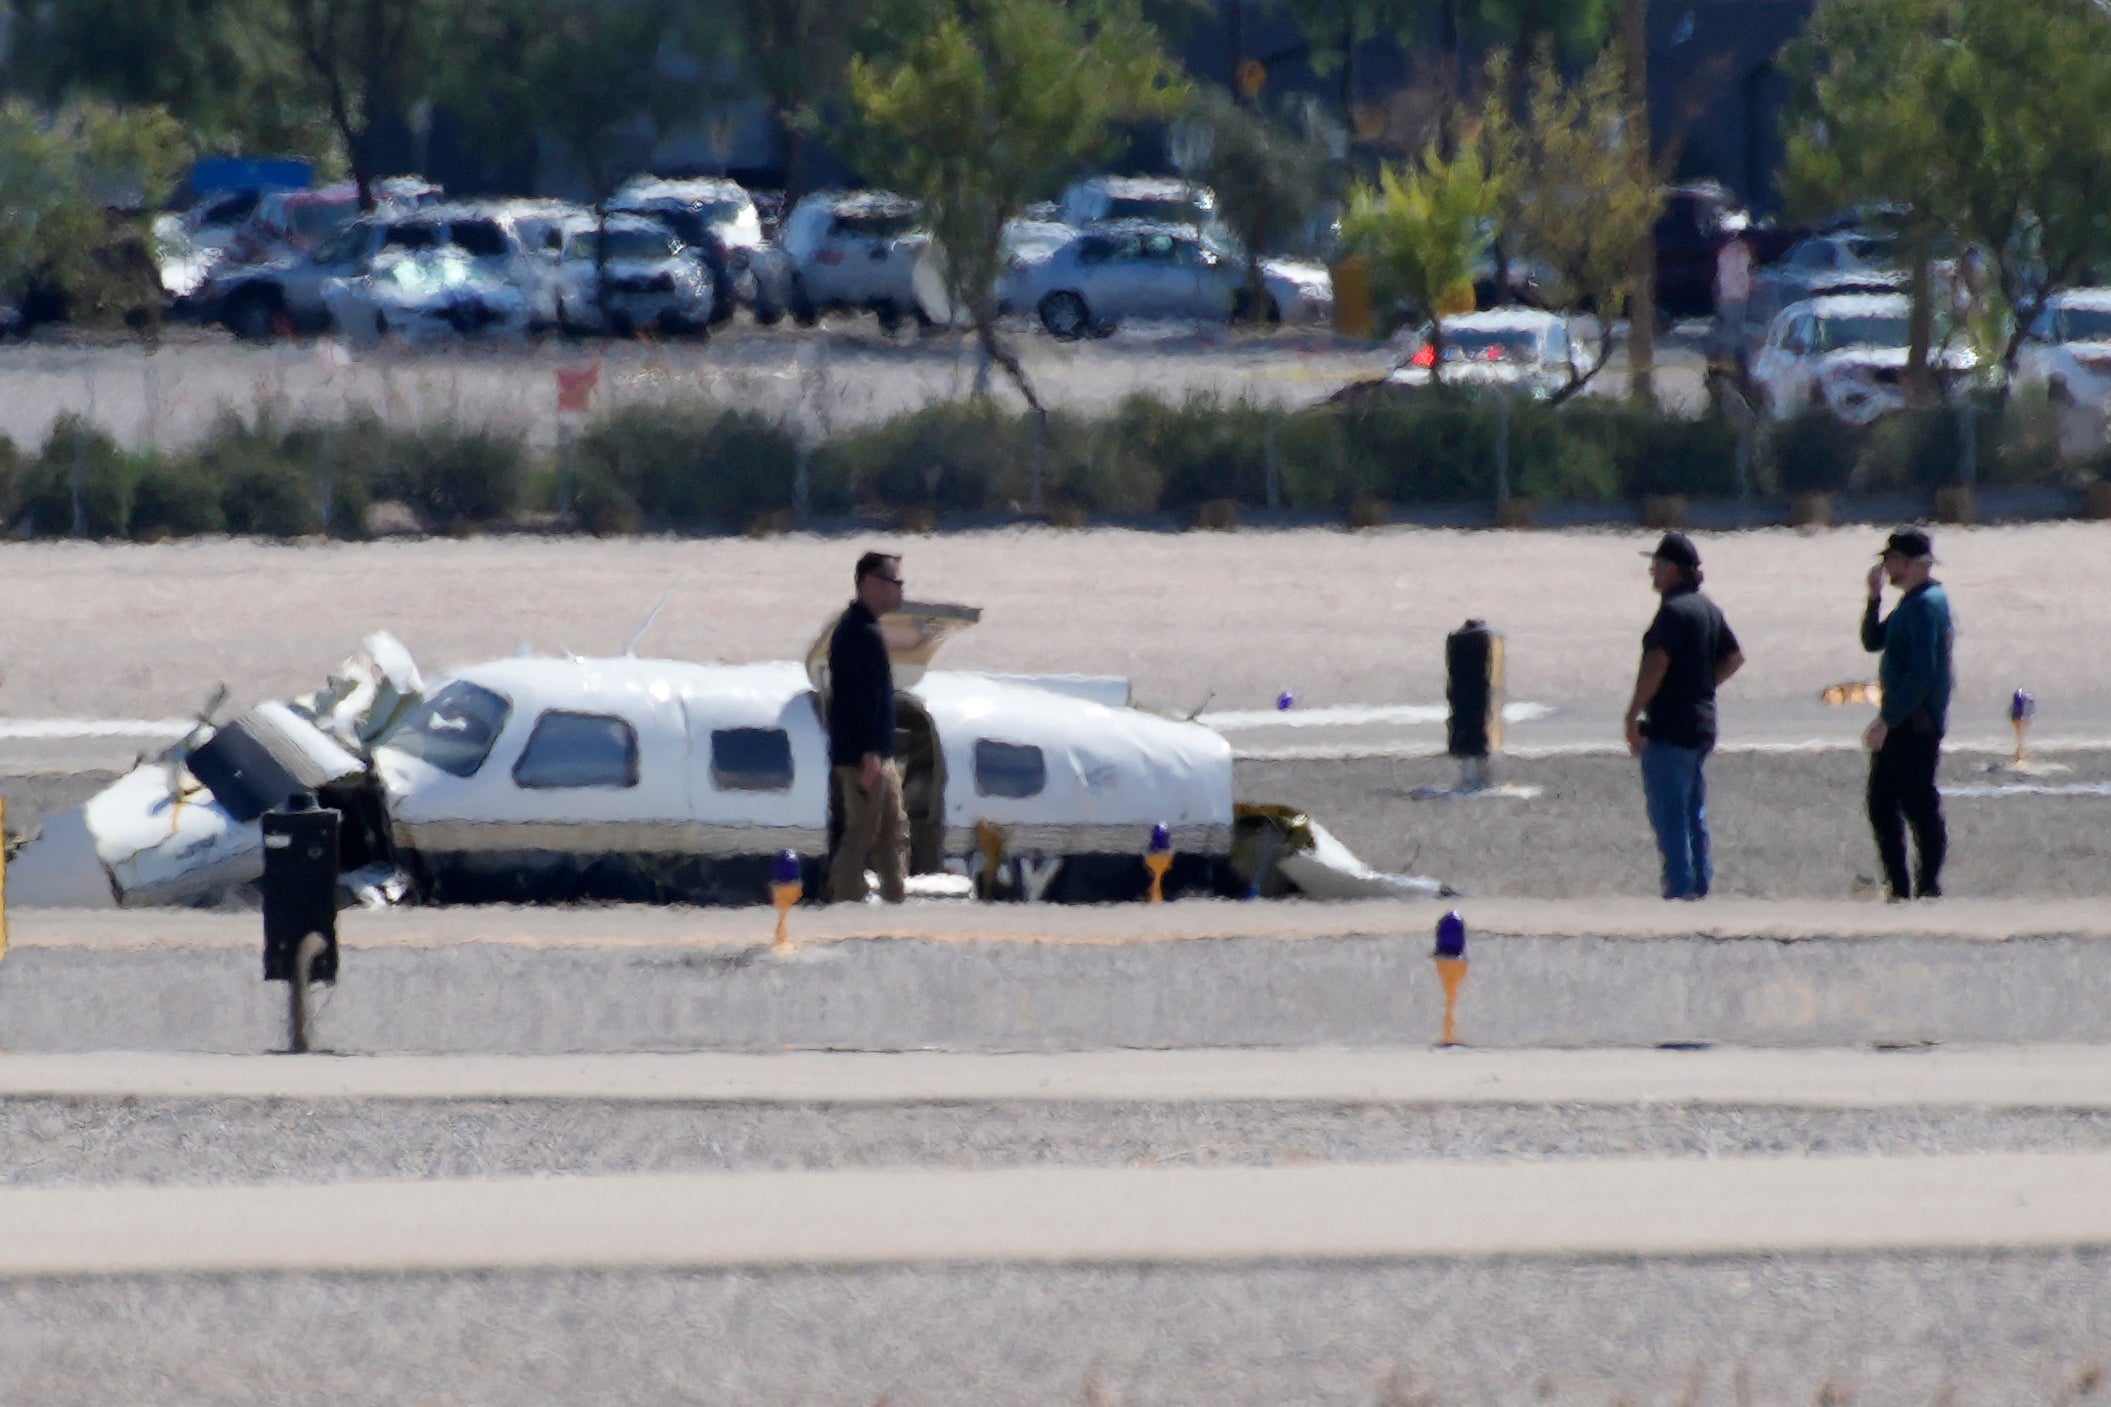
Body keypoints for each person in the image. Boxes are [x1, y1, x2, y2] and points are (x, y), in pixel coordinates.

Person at [1623, 532, 1745, 900]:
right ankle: (1699, 886)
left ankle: (1679, 890)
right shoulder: (1707, 609)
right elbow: (1734, 657)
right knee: (1693, 812)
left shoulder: (1673, 612)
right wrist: (1702, 685)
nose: (1651, 572)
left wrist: (1632, 714)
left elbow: (1657, 662)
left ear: (1673, 570)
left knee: (1670, 814)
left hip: (1671, 727)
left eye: (1657, 565)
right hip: (1701, 724)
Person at [1861, 528, 1955, 900]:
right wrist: (1873, 599)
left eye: (1891, 560)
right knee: (1881, 802)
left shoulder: (1927, 604)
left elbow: (1923, 672)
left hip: (1915, 723)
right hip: (1902, 720)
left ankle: (1927, 884)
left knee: (1917, 803)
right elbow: (1873, 641)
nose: (1886, 567)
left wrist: (1888, 719)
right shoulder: (1910, 603)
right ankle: (1899, 886)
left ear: (1912, 563)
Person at [825, 551, 908, 904]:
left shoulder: (863, 629)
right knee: (861, 832)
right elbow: (863, 699)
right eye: (895, 582)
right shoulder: (859, 632)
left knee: (894, 833)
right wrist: (870, 753)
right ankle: (844, 902)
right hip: (866, 756)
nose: (900, 591)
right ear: (872, 584)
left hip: (877, 754)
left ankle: (895, 901)